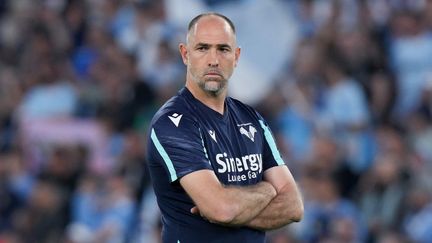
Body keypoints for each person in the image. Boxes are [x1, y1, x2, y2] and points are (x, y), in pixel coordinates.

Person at [146, 12, 304, 243]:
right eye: (202, 48)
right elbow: (221, 209)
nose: (213, 59)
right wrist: (267, 191)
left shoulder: (253, 119)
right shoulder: (172, 123)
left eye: (223, 49)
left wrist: (230, 211)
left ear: (236, 56)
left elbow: (293, 206)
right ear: (185, 54)